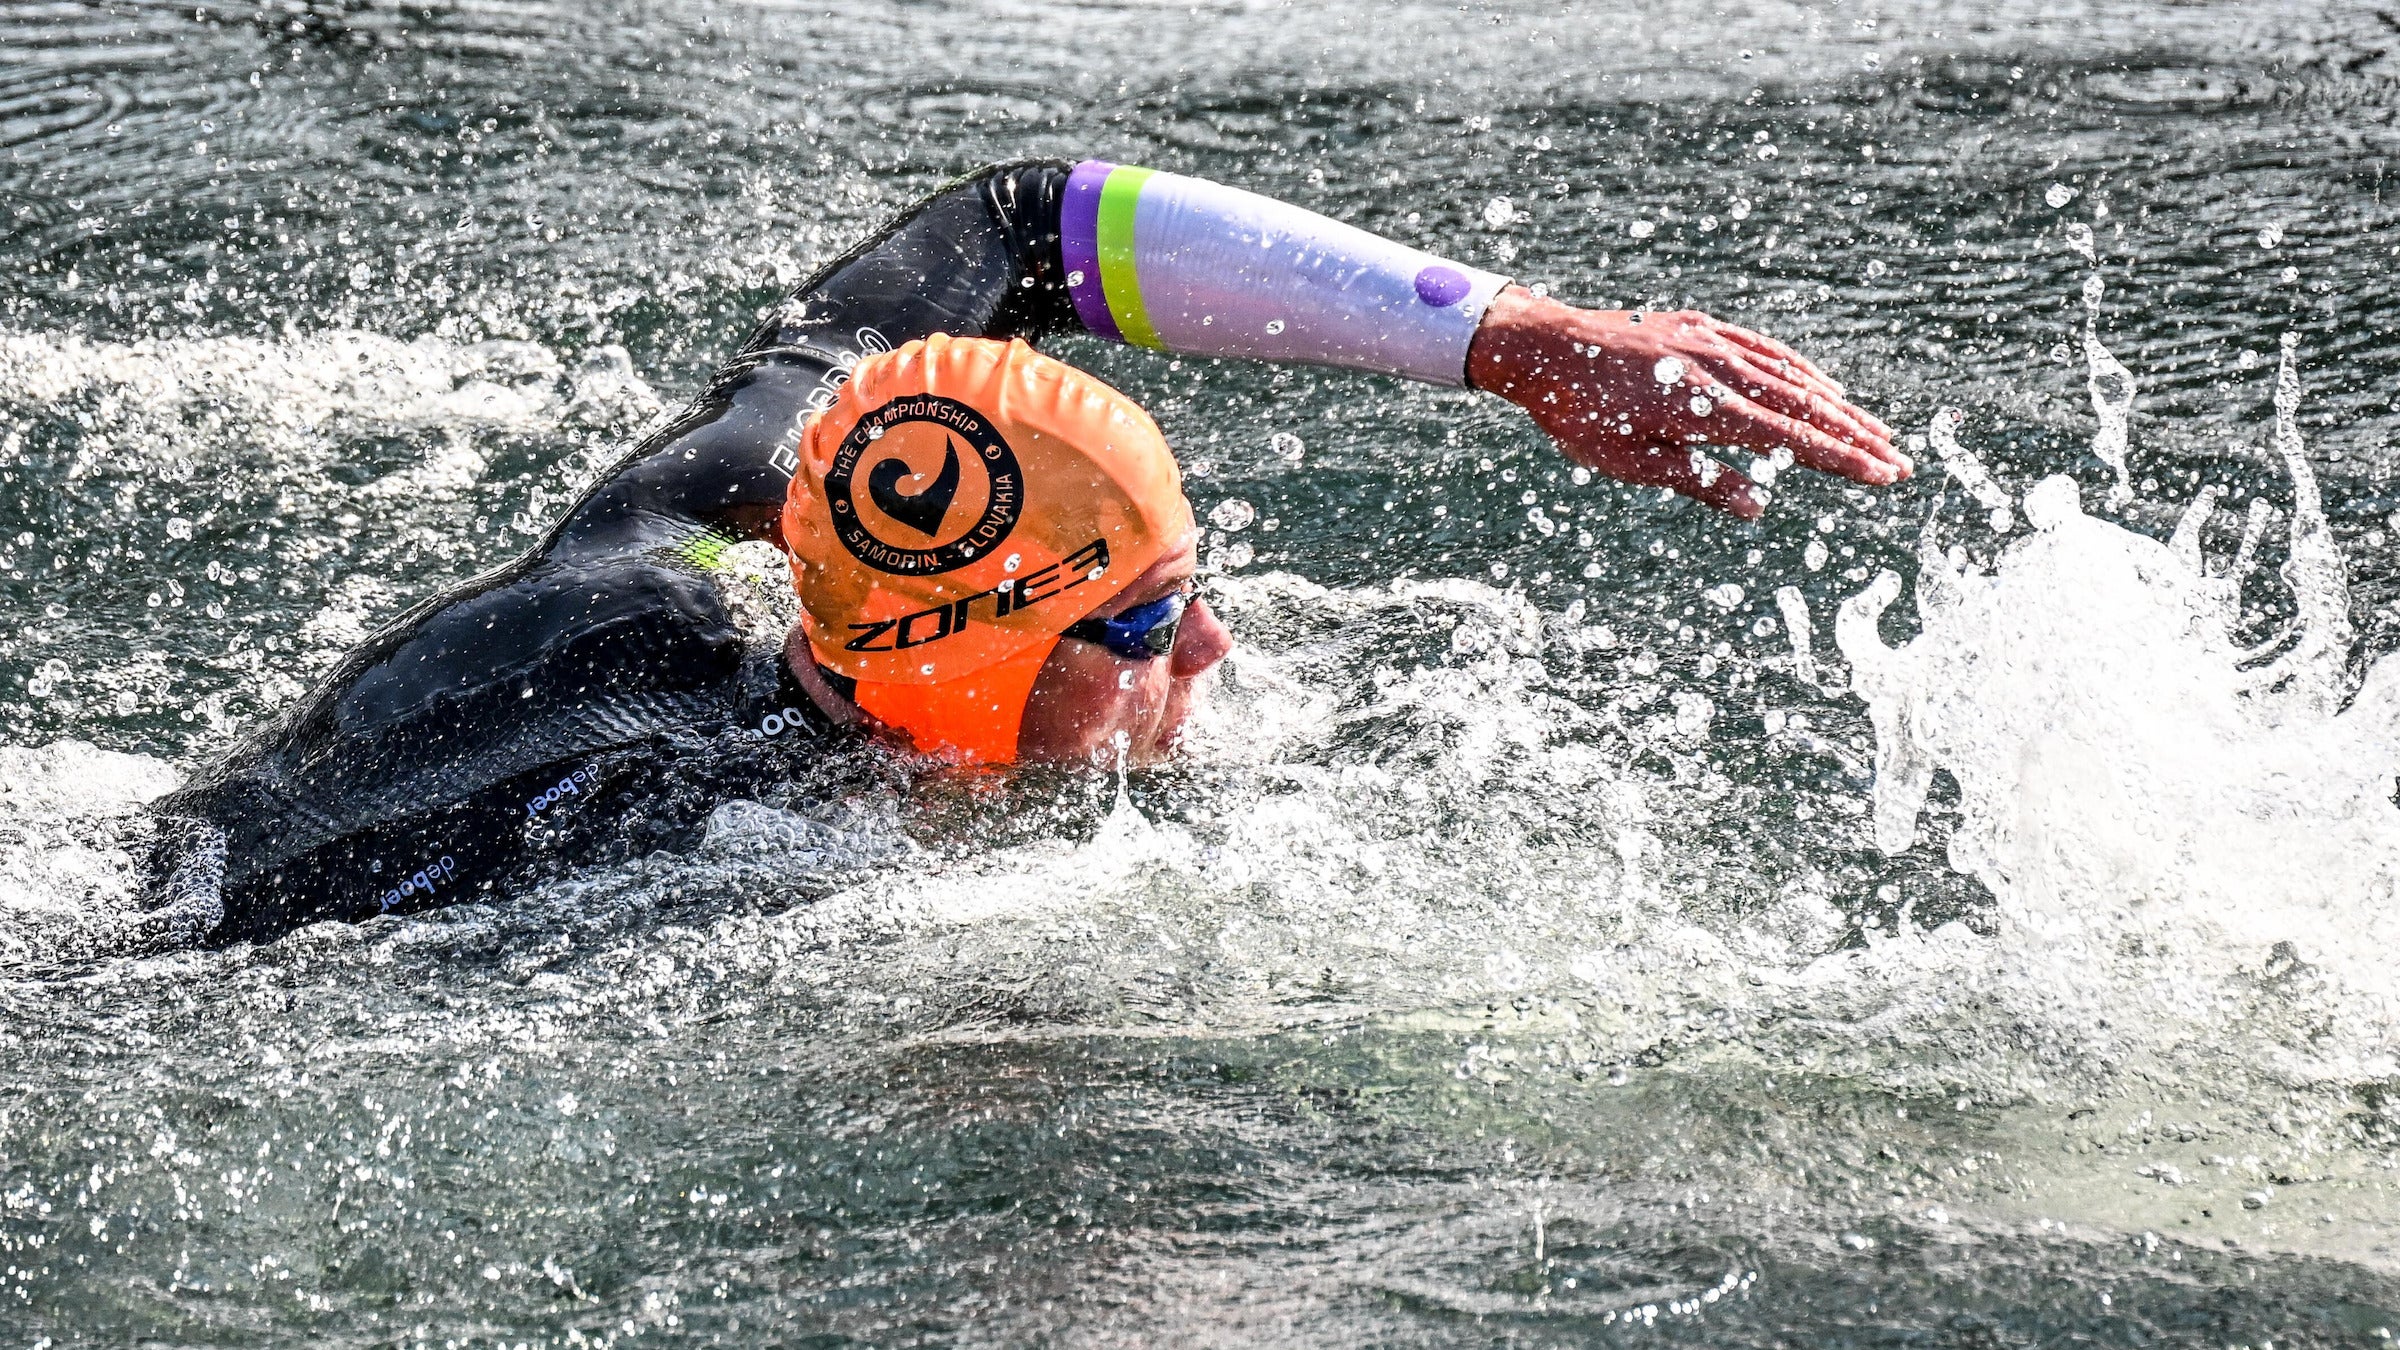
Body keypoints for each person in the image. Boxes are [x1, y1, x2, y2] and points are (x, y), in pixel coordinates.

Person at [135, 158, 1906, 948]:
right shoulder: (694, 850)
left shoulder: (745, 492)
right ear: (963, 673)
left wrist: (1512, 339)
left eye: (1188, 587)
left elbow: (1019, 219)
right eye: (1139, 622)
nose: (1209, 653)